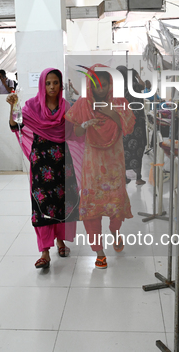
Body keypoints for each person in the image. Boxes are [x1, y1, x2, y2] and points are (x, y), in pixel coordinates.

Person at [7, 68, 80, 269]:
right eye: (48, 83)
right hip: (41, 162)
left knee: (61, 202)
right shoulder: (31, 106)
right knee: (42, 205)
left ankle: (60, 241)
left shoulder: (67, 106)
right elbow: (15, 125)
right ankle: (44, 252)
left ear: (61, 84)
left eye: (55, 82)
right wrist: (13, 106)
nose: (52, 87)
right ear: (42, 85)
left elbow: (74, 132)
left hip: (62, 162)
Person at [66, 66, 136, 269]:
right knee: (92, 209)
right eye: (95, 85)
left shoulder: (120, 102)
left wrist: (113, 114)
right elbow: (76, 131)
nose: (100, 89)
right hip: (93, 164)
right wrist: (86, 124)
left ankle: (115, 232)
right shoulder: (83, 104)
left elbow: (129, 128)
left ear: (110, 84)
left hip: (114, 162)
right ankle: (99, 251)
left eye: (104, 84)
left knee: (115, 205)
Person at [117, 66, 146, 185]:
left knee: (123, 150)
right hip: (137, 123)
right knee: (138, 149)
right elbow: (144, 85)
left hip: (124, 123)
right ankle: (138, 178)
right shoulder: (135, 85)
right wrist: (137, 76)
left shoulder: (118, 87)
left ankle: (124, 177)